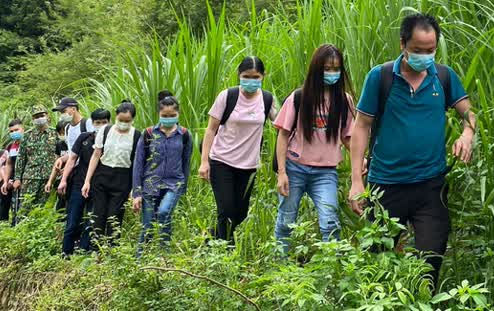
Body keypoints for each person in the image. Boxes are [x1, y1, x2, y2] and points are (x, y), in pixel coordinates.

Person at [348, 13, 475, 289]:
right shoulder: (380, 77)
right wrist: (357, 180)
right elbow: (361, 127)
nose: (425, 56)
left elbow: (469, 115)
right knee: (378, 265)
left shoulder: (443, 77)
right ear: (403, 44)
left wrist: (467, 134)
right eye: (418, 50)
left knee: (430, 260)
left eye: (430, 50)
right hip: (386, 187)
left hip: (430, 187)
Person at [273, 45, 354, 254]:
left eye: (336, 69)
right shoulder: (299, 97)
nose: (332, 73)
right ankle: (280, 264)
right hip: (295, 168)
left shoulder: (344, 101)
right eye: (328, 68)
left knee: (330, 222)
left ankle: (331, 269)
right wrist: (282, 173)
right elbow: (283, 135)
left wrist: (359, 159)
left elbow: (348, 137)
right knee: (286, 221)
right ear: (317, 69)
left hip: (326, 172)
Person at [199, 57, 277, 244]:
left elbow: (281, 125)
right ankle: (226, 254)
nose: (251, 80)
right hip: (222, 160)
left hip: (249, 165)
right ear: (239, 75)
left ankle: (211, 236)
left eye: (255, 76)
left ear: (263, 76)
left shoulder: (267, 99)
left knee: (240, 214)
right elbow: (210, 130)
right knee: (226, 211)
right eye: (246, 76)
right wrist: (204, 162)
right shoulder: (227, 96)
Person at [133, 94, 192, 256]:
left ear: (178, 114)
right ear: (158, 114)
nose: (168, 119)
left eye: (172, 116)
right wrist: (137, 193)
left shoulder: (184, 135)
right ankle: (140, 259)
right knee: (148, 224)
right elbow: (138, 164)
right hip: (150, 184)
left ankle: (164, 256)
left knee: (165, 212)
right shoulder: (149, 133)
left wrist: (183, 188)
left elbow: (186, 162)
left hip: (174, 183)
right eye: (164, 116)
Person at [83, 103, 142, 248]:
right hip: (102, 176)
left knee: (114, 216)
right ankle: (95, 251)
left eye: (127, 121)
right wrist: (87, 181)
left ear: (133, 119)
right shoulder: (105, 130)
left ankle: (112, 253)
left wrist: (135, 189)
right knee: (98, 215)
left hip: (122, 179)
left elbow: (136, 164)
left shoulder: (137, 135)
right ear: (116, 117)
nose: (123, 123)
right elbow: (96, 155)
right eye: (121, 119)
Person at [58, 111, 109, 256]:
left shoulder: (111, 141)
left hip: (99, 187)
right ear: (92, 123)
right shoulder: (84, 138)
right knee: (72, 220)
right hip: (78, 185)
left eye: (104, 122)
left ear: (109, 123)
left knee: (91, 222)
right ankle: (66, 252)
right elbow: (72, 159)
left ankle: (83, 253)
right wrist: (63, 180)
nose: (100, 126)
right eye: (97, 123)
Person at [12, 104, 60, 219]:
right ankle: (22, 231)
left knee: (44, 209)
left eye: (41, 115)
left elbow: (61, 154)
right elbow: (21, 158)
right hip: (30, 177)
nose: (39, 118)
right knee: (25, 207)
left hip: (49, 177)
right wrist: (17, 178)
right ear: (33, 119)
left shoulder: (56, 134)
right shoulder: (27, 136)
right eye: (36, 116)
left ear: (47, 116)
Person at [0, 120, 24, 222]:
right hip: (11, 180)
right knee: (6, 202)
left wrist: (20, 179)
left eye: (16, 130)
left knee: (20, 206)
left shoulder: (28, 143)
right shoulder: (11, 146)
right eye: (11, 131)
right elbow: (9, 164)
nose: (14, 133)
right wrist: (6, 181)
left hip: (24, 179)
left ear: (23, 129)